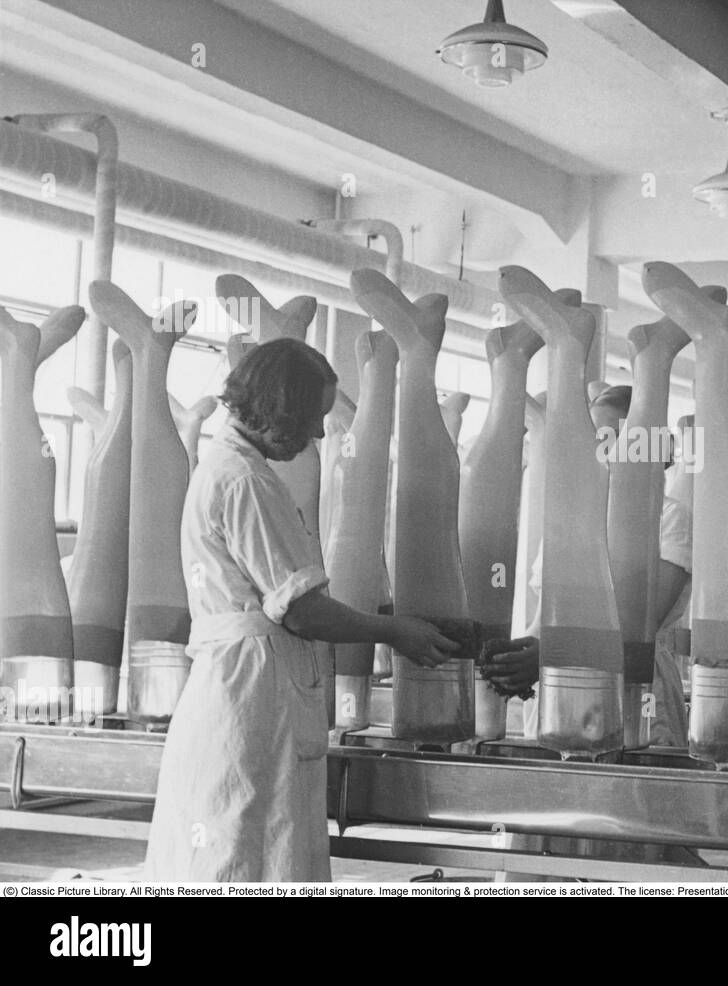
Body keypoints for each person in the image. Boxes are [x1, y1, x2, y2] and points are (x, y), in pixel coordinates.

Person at [143, 337, 458, 882]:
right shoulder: (245, 480)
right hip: (251, 693)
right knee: (247, 851)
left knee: (241, 847)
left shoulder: (232, 467)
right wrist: (393, 630)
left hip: (241, 688)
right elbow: (303, 611)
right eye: (312, 417)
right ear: (279, 408)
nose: (317, 433)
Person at [483, 386, 692, 746]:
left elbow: (640, 623)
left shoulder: (669, 518)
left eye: (613, 438)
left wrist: (551, 654)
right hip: (560, 689)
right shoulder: (569, 518)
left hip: (634, 688)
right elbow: (543, 621)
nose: (602, 451)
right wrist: (513, 661)